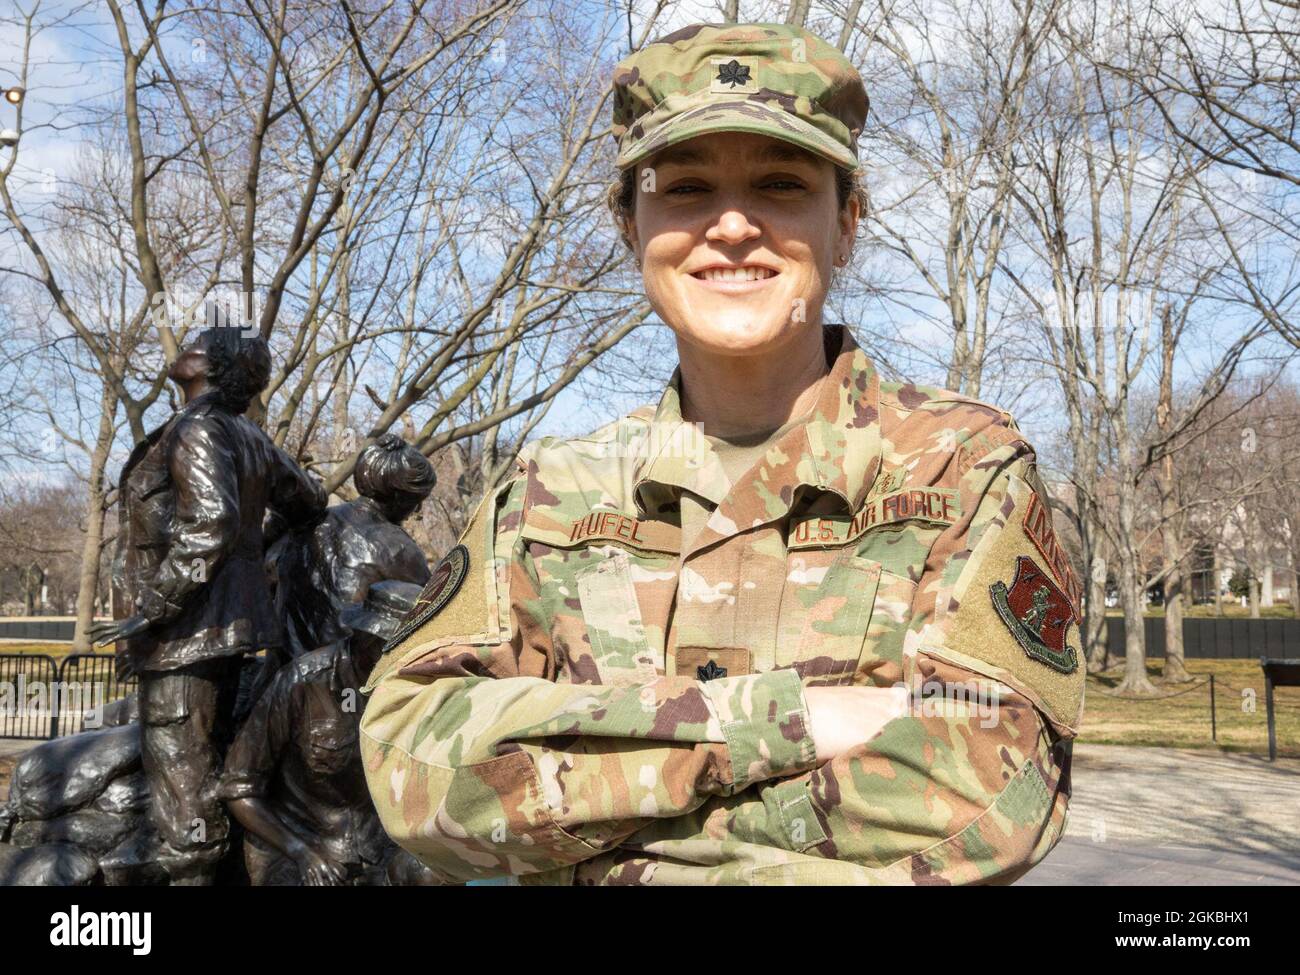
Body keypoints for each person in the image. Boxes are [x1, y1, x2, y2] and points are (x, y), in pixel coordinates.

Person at [359, 22, 1084, 885]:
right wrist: (791, 720)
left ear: (846, 223)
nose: (732, 224)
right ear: (631, 226)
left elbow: (993, 782)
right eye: (687, 188)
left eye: (780, 185)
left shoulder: (959, 467)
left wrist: (601, 831)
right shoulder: (549, 490)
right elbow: (409, 762)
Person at [93, 325, 327, 884]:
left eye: (196, 343)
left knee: (184, 794)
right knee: (209, 766)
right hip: (224, 628)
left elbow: (212, 523)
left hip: (187, 636)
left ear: (213, 368)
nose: (183, 348)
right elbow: (307, 500)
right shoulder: (247, 436)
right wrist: (251, 559)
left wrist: (152, 609)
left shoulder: (198, 431)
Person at [220, 580, 438, 886]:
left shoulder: (420, 689)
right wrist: (301, 851)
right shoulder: (302, 683)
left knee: (431, 875)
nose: (402, 660)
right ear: (365, 637)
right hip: (300, 843)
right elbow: (238, 787)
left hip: (379, 846)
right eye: (393, 647)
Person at [265, 433, 434, 660]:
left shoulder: (308, 521)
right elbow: (431, 616)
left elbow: (269, 575)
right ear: (399, 497)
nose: (417, 509)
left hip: (280, 678)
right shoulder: (399, 550)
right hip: (345, 679)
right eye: (416, 500)